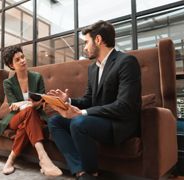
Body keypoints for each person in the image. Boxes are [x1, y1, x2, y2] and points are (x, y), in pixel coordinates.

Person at [47, 20, 141, 180]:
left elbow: (124, 106)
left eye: (86, 42)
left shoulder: (126, 62)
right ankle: (81, 171)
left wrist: (82, 113)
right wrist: (68, 101)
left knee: (78, 123)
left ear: (98, 40)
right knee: (55, 121)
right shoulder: (92, 68)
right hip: (96, 120)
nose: (84, 47)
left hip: (117, 123)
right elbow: (89, 99)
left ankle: (92, 172)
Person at [0, 45, 62, 177]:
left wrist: (36, 103)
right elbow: (14, 105)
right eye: (17, 59)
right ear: (11, 65)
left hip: (34, 116)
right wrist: (24, 105)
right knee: (28, 111)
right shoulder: (8, 83)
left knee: (27, 121)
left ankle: (11, 159)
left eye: (23, 57)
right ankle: (43, 158)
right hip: (16, 117)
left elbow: (42, 100)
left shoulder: (37, 77)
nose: (22, 61)